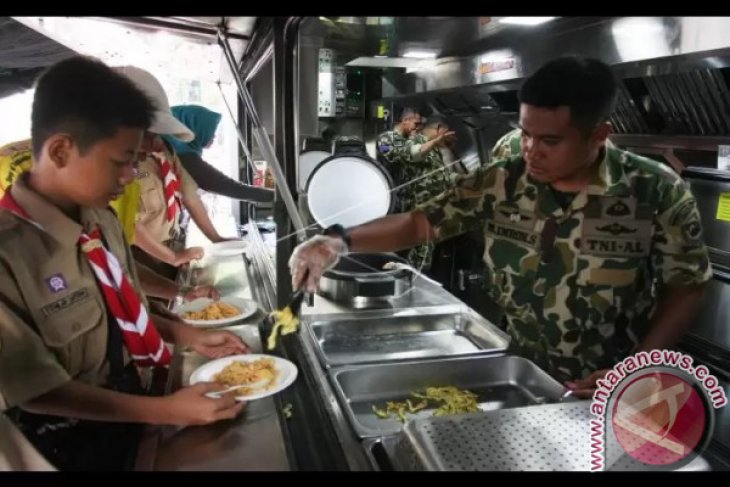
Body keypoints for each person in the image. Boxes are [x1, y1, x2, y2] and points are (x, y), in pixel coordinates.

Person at [289, 56, 711, 399]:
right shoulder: (505, 180)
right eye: (525, 134)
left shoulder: (655, 191)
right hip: (521, 372)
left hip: (612, 384)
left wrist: (634, 369)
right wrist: (337, 241)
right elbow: (420, 222)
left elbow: (687, 287)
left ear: (599, 134)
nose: (531, 151)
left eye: (550, 141)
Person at [0, 56, 247, 471]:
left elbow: (127, 306)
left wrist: (186, 333)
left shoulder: (101, 221)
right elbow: (38, 390)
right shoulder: (9, 256)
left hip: (133, 415)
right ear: (61, 149)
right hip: (63, 448)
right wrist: (167, 412)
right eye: (121, 161)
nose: (132, 174)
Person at [0, 138, 219, 304]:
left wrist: (182, 293)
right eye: (125, 159)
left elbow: (112, 263)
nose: (130, 176)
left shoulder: (98, 190)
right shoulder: (21, 234)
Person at [162, 104, 274, 204]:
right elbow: (227, 186)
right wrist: (277, 195)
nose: (213, 137)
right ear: (193, 128)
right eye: (209, 131)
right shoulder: (184, 156)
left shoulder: (175, 148)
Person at [398, 116, 457, 271]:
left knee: (426, 250)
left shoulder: (436, 150)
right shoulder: (417, 141)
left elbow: (440, 174)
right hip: (420, 207)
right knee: (419, 251)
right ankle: (413, 280)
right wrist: (436, 142)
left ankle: (417, 279)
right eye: (446, 131)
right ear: (437, 128)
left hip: (433, 208)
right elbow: (412, 154)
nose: (449, 135)